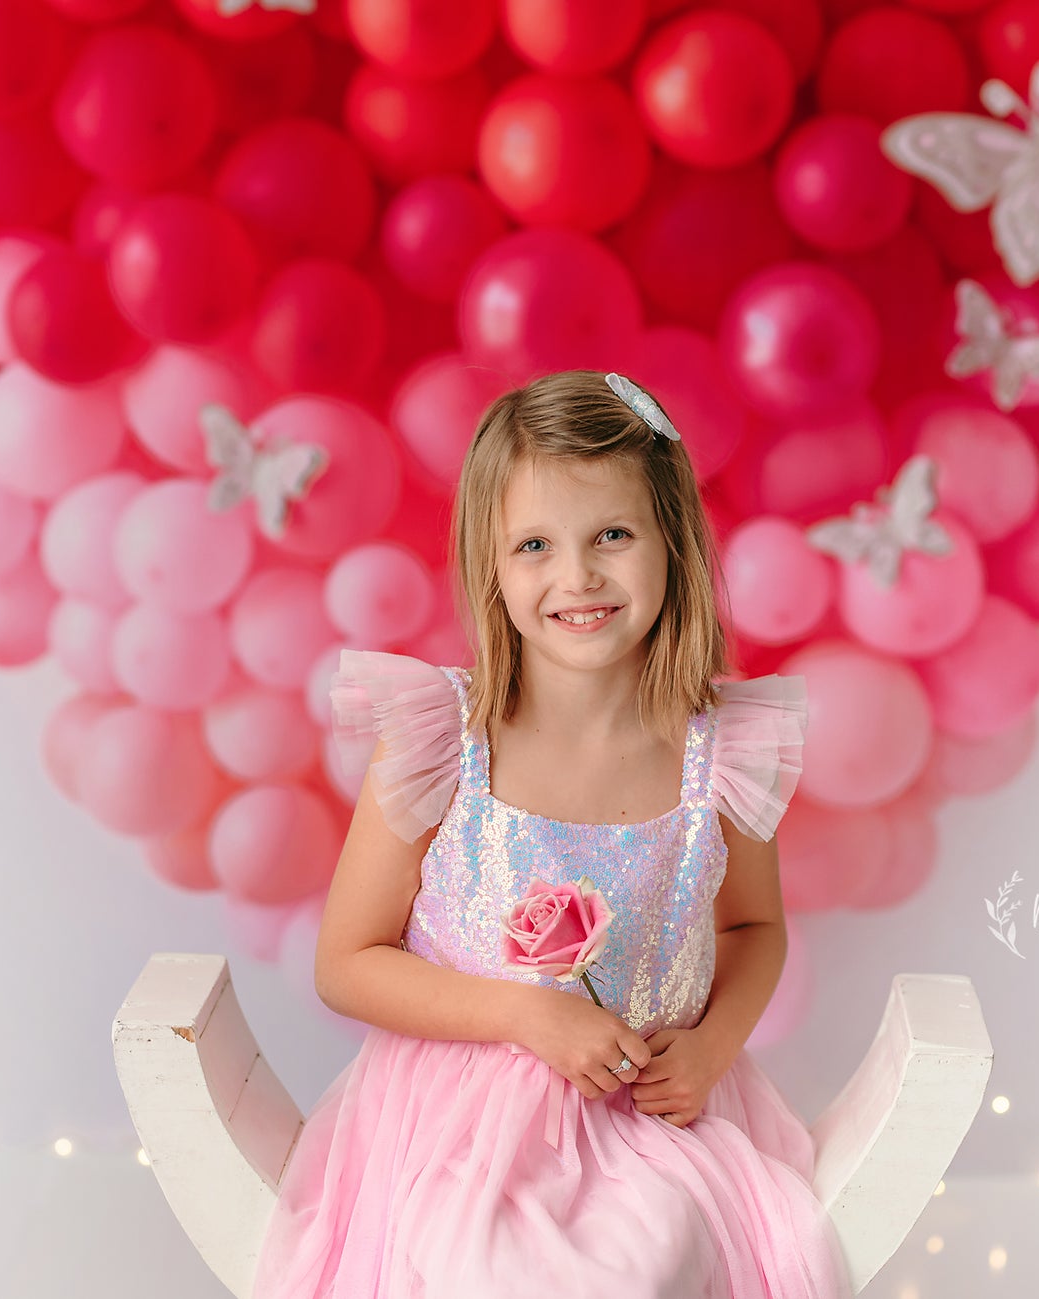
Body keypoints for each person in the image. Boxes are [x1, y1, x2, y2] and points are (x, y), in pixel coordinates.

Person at [252, 370, 848, 1298]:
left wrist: (709, 1048)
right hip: (460, 1122)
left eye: (613, 534)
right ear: (491, 564)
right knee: (478, 1264)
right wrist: (527, 1014)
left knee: (654, 1256)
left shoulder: (720, 751)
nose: (578, 577)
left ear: (671, 540)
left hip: (647, 1113)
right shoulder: (444, 738)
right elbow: (347, 960)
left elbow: (754, 928)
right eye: (535, 544)